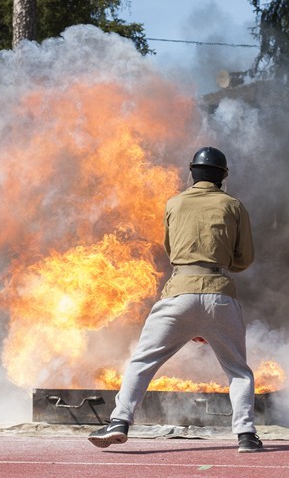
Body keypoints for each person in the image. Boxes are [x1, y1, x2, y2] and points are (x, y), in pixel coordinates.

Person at [88, 146, 263, 453]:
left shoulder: (173, 204)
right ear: (223, 177)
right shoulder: (234, 205)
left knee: (142, 361)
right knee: (238, 371)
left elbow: (171, 252)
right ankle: (246, 435)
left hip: (178, 293)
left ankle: (119, 421)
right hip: (219, 293)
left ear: (192, 172)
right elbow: (244, 258)